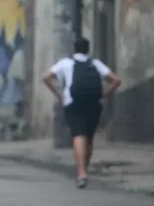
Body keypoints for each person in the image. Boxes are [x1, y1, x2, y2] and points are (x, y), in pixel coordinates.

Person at [42, 38, 121, 188]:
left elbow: (46, 78)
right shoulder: (96, 64)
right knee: (89, 136)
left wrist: (59, 95)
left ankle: (82, 173)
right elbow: (116, 80)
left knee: (78, 135)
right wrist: (105, 94)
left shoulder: (66, 63)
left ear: (74, 49)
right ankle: (85, 167)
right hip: (93, 103)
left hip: (73, 103)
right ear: (87, 49)